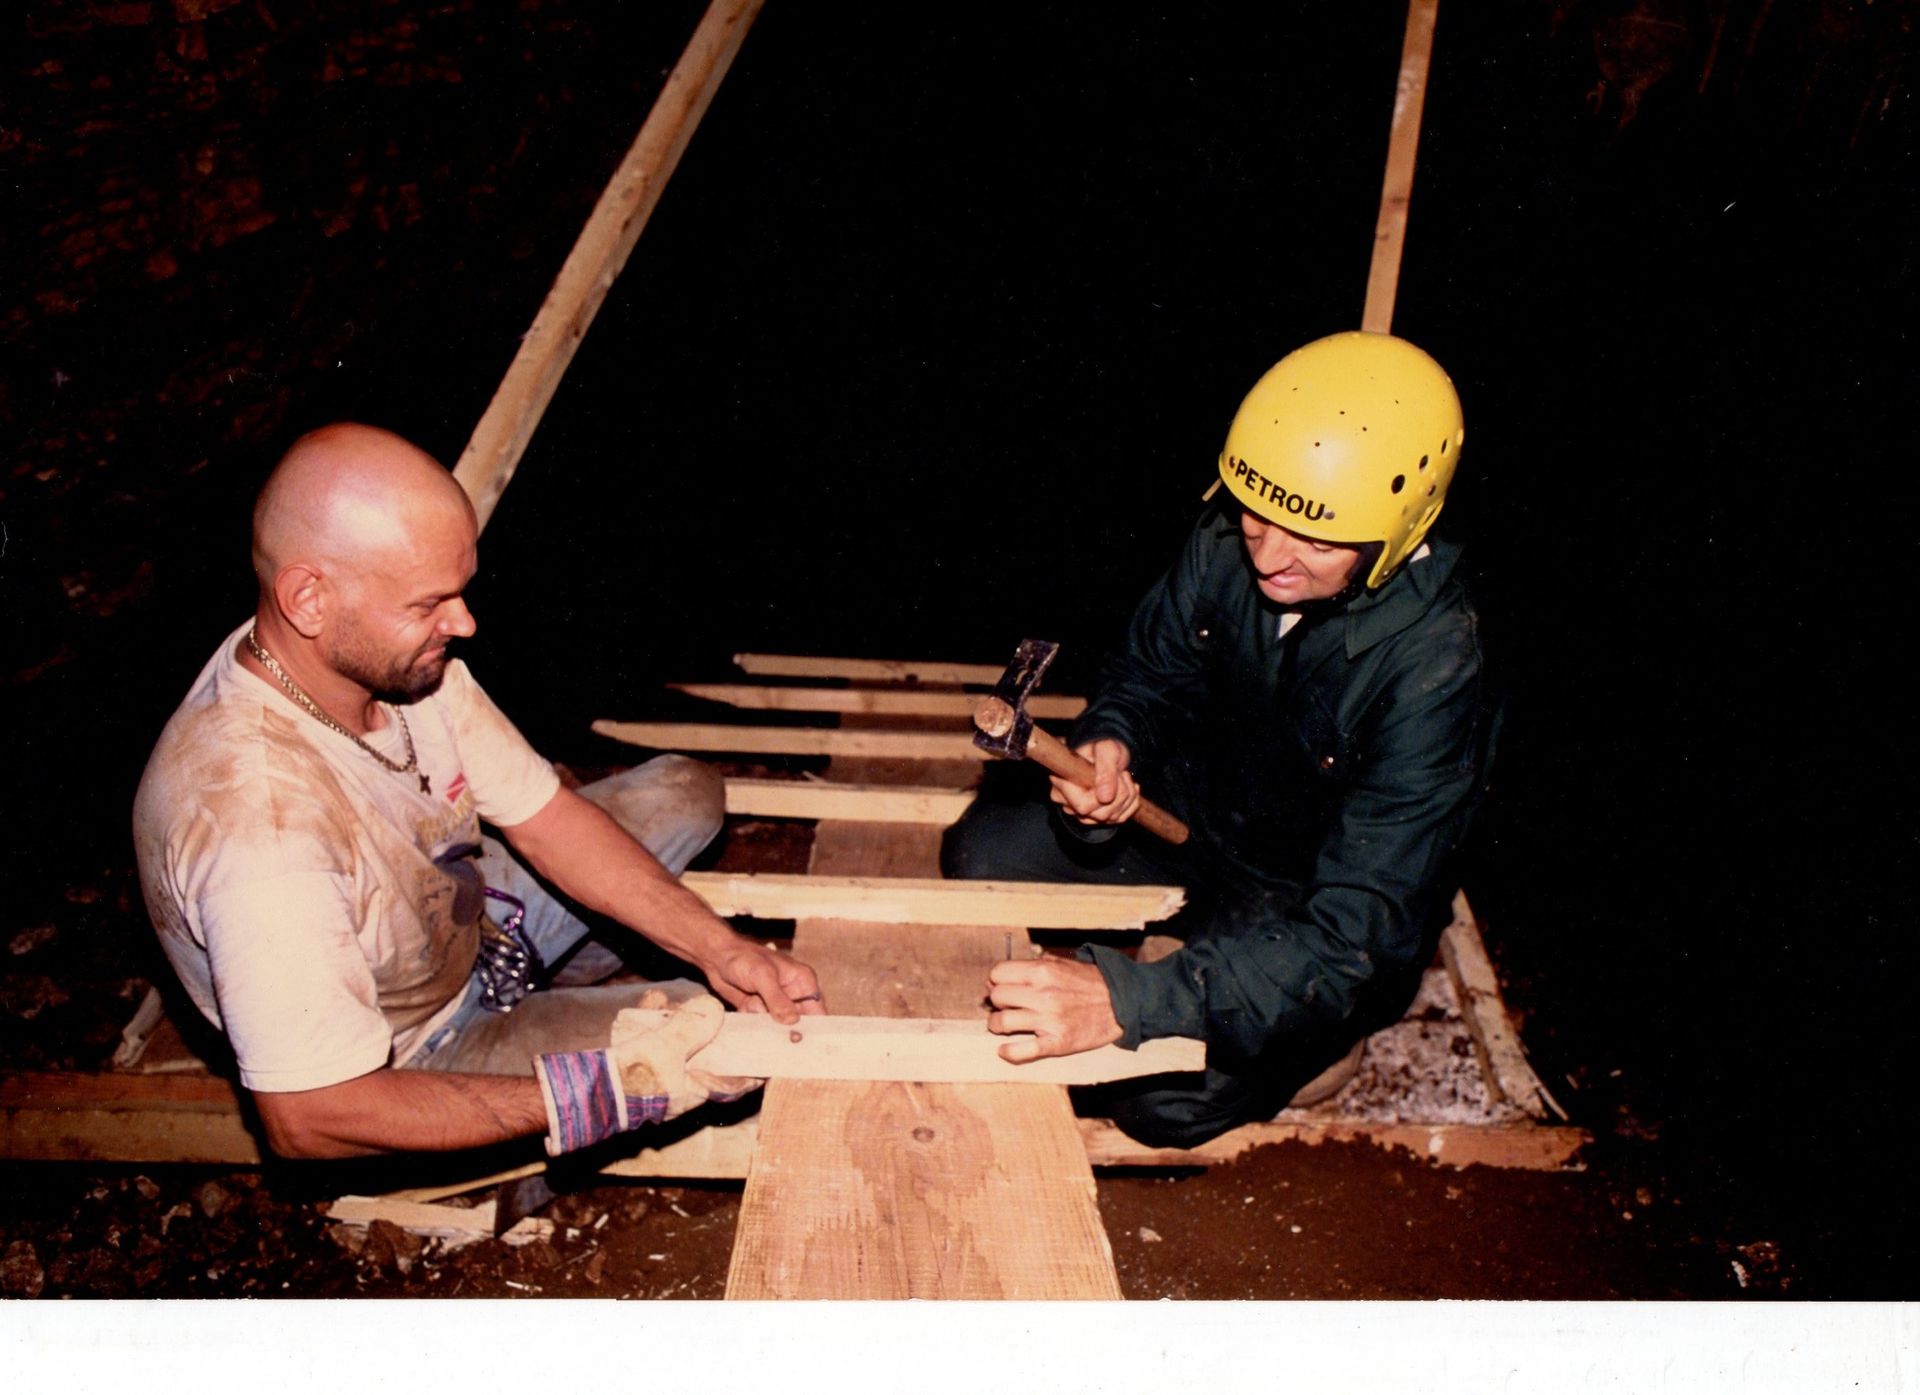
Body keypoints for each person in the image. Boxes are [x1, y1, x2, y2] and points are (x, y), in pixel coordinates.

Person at [133, 423, 823, 1161]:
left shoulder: (370, 660)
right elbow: (311, 1117)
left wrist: (722, 948)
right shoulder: (260, 831)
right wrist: (603, 1093)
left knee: (685, 792)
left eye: (459, 592)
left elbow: (548, 818)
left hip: (465, 916)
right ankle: (542, 1024)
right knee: (714, 1037)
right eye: (429, 603)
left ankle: (545, 965)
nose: (462, 623)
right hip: (416, 1045)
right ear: (308, 597)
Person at [942, 331, 1501, 1148]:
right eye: (1256, 516)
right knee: (982, 856)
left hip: (1305, 898)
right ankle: (1202, 950)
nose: (1270, 556)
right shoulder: (1231, 537)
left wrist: (1130, 1002)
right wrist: (1113, 743)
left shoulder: (1441, 667)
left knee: (1154, 1101)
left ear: (1395, 527)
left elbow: (1353, 935)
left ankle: (1319, 1042)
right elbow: (1148, 672)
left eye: (1315, 537)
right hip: (1197, 821)